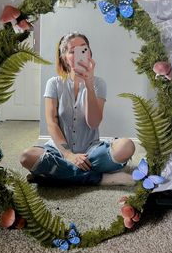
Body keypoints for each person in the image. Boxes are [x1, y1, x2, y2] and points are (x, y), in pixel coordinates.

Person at [20, 32, 135, 186]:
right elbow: (51, 123)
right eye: (72, 51)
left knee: (127, 146)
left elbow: (93, 123)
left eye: (83, 50)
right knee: (27, 157)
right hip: (60, 150)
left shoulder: (98, 84)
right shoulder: (54, 83)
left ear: (90, 54)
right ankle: (100, 178)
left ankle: (53, 175)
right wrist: (68, 155)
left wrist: (89, 83)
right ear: (64, 57)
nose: (78, 54)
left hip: (92, 151)